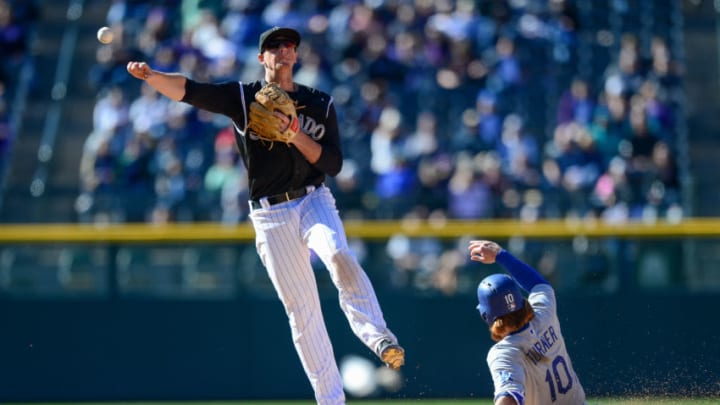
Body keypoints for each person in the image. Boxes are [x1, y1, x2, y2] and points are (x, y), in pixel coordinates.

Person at [126, 26, 404, 404]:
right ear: (263, 58)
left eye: (290, 45)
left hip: (313, 198)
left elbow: (334, 165)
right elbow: (191, 91)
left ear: (296, 55)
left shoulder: (319, 103)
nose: (284, 50)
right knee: (302, 314)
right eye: (274, 46)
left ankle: (379, 337)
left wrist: (294, 135)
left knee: (338, 252)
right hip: (270, 215)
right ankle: (331, 401)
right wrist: (153, 76)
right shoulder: (244, 97)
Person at [468, 240, 586, 405]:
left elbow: (508, 397)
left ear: (487, 316)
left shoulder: (504, 353)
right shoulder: (544, 314)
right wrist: (500, 255)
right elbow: (538, 284)